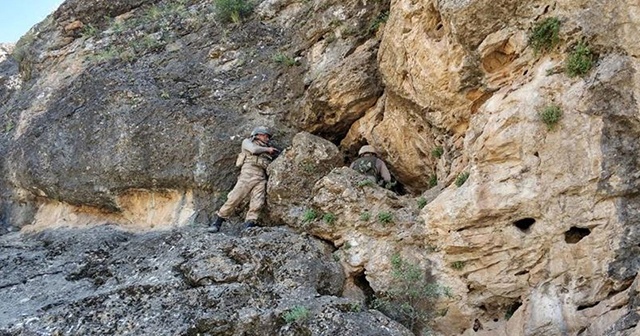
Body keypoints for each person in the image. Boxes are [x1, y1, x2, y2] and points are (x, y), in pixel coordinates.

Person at [209, 126, 279, 232]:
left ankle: (249, 225)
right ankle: (218, 222)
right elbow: (253, 150)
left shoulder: (268, 149)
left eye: (268, 137)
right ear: (257, 135)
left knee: (257, 203)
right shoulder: (247, 142)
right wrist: (268, 149)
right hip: (247, 175)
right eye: (265, 136)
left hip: (261, 178)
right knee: (234, 198)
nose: (267, 139)